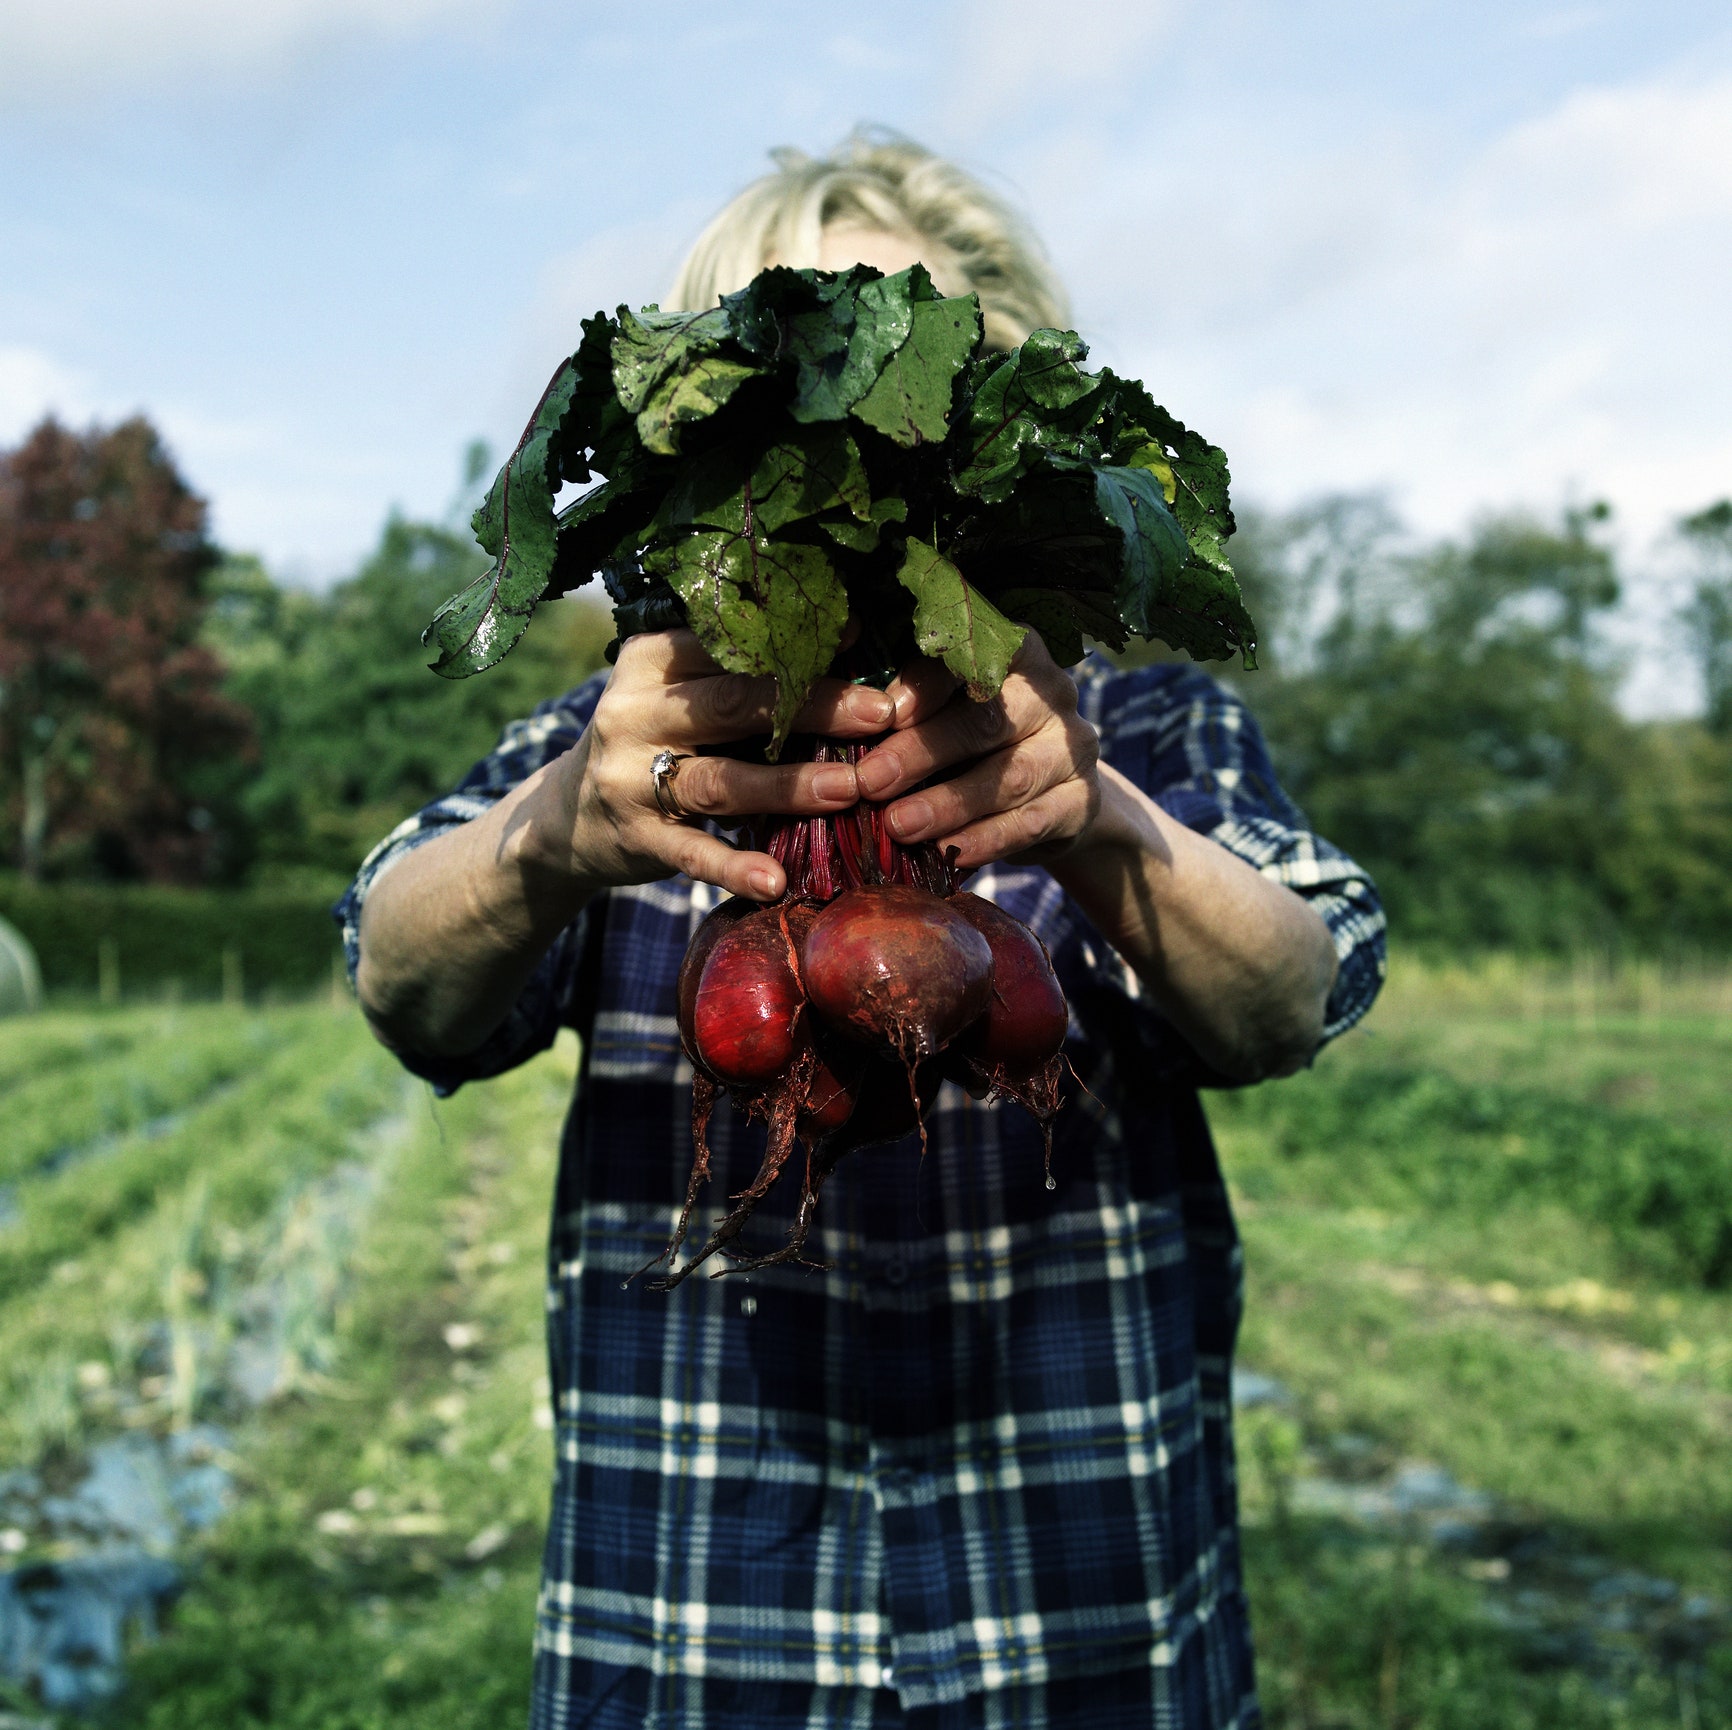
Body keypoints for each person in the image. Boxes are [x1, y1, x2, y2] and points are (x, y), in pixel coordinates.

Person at [342, 130, 1386, 1730]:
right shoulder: (624, 741)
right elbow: (401, 975)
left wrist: (1095, 814)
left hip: (1083, 1627)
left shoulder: (1142, 726)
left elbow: (1296, 989)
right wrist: (559, 830)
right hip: (696, 1630)